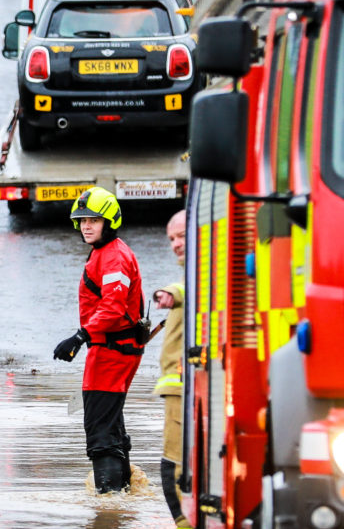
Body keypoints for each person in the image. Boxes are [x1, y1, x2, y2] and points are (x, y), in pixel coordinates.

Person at [53, 186, 146, 494]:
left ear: (109, 222)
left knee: (100, 428)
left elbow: (113, 306)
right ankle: (123, 494)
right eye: (82, 220)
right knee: (110, 422)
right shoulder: (105, 253)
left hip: (112, 351)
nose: (87, 226)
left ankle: (109, 504)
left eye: (94, 219)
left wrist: (79, 337)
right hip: (109, 349)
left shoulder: (114, 257)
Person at [153, 209, 190, 527]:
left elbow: (185, 291)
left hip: (181, 387)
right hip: (178, 387)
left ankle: (182, 522)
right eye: (171, 239)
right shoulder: (192, 271)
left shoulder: (200, 272)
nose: (176, 244)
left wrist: (169, 294)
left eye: (181, 236)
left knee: (173, 464)